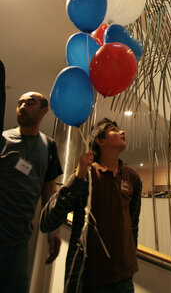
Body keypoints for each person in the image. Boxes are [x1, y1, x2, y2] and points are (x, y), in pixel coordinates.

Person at [40, 117, 142, 293]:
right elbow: (48, 220)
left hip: (124, 278)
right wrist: (77, 176)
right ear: (101, 141)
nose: (122, 132)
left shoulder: (132, 178)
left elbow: (133, 224)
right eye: (114, 130)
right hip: (88, 278)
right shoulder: (86, 176)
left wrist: (131, 257)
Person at [0, 84, 63, 293]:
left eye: (29, 102)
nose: (22, 106)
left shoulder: (49, 146)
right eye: (20, 103)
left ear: (44, 111)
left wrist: (53, 229)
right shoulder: (3, 139)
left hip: (19, 243)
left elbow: (49, 188)